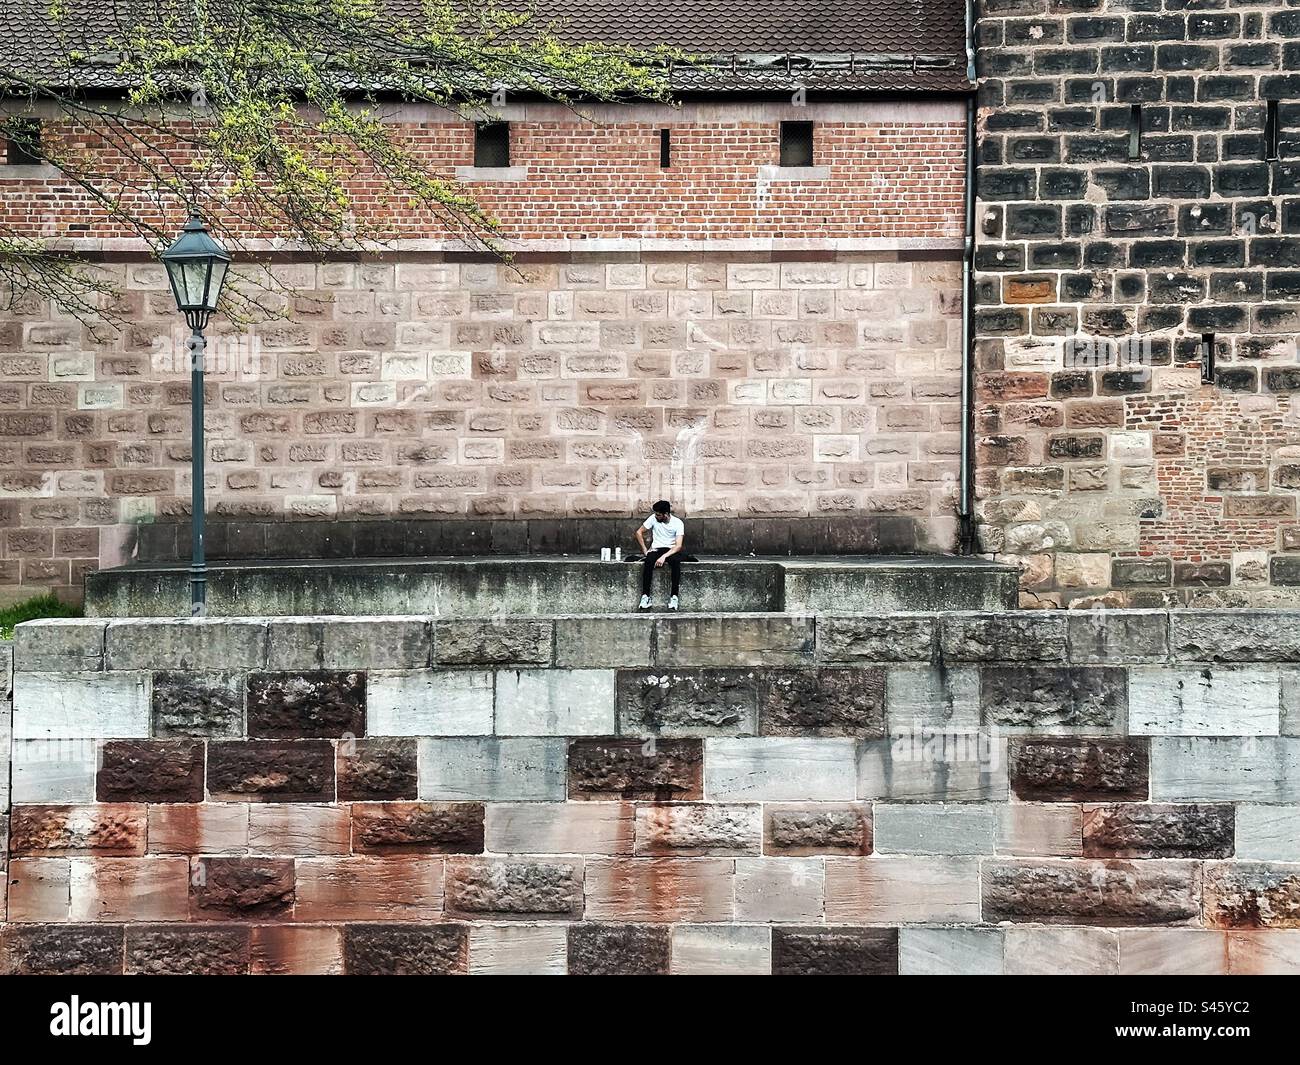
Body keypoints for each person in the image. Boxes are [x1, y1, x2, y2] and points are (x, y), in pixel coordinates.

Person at [634, 499, 684, 610]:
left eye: (658, 515)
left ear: (666, 514)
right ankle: (645, 596)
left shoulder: (678, 523)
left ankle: (674, 597)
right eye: (656, 514)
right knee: (648, 561)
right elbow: (638, 532)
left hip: (671, 550)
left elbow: (678, 545)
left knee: (676, 562)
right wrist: (645, 551)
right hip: (656, 549)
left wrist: (664, 557)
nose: (656, 516)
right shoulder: (653, 518)